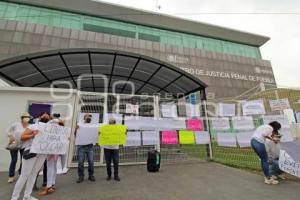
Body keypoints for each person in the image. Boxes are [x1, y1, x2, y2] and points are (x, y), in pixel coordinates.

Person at [11, 112, 50, 200]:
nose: (46, 116)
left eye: (48, 115)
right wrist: (33, 135)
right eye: (44, 115)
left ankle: (27, 196)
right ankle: (14, 197)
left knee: (34, 174)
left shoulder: (50, 129)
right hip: (31, 152)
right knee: (24, 175)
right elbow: (22, 137)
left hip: (42, 153)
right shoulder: (33, 126)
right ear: (39, 117)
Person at [38, 118, 64, 196]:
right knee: (53, 167)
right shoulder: (60, 131)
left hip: (52, 152)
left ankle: (48, 187)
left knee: (50, 168)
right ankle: (52, 184)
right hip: (55, 151)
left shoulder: (52, 131)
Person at [7, 112, 31, 183]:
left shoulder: (30, 126)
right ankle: (11, 176)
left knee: (23, 161)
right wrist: (10, 136)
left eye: (28, 117)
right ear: (22, 118)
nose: (26, 118)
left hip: (24, 145)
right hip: (15, 144)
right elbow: (8, 131)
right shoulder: (16, 124)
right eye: (25, 117)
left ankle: (21, 174)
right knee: (14, 160)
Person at [75, 113, 96, 183]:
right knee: (80, 162)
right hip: (81, 146)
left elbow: (95, 134)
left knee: (91, 162)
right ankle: (81, 176)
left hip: (90, 146)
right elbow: (76, 134)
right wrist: (76, 129)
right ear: (84, 118)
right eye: (87, 116)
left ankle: (91, 175)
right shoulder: (79, 125)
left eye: (90, 116)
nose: (89, 117)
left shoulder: (93, 126)